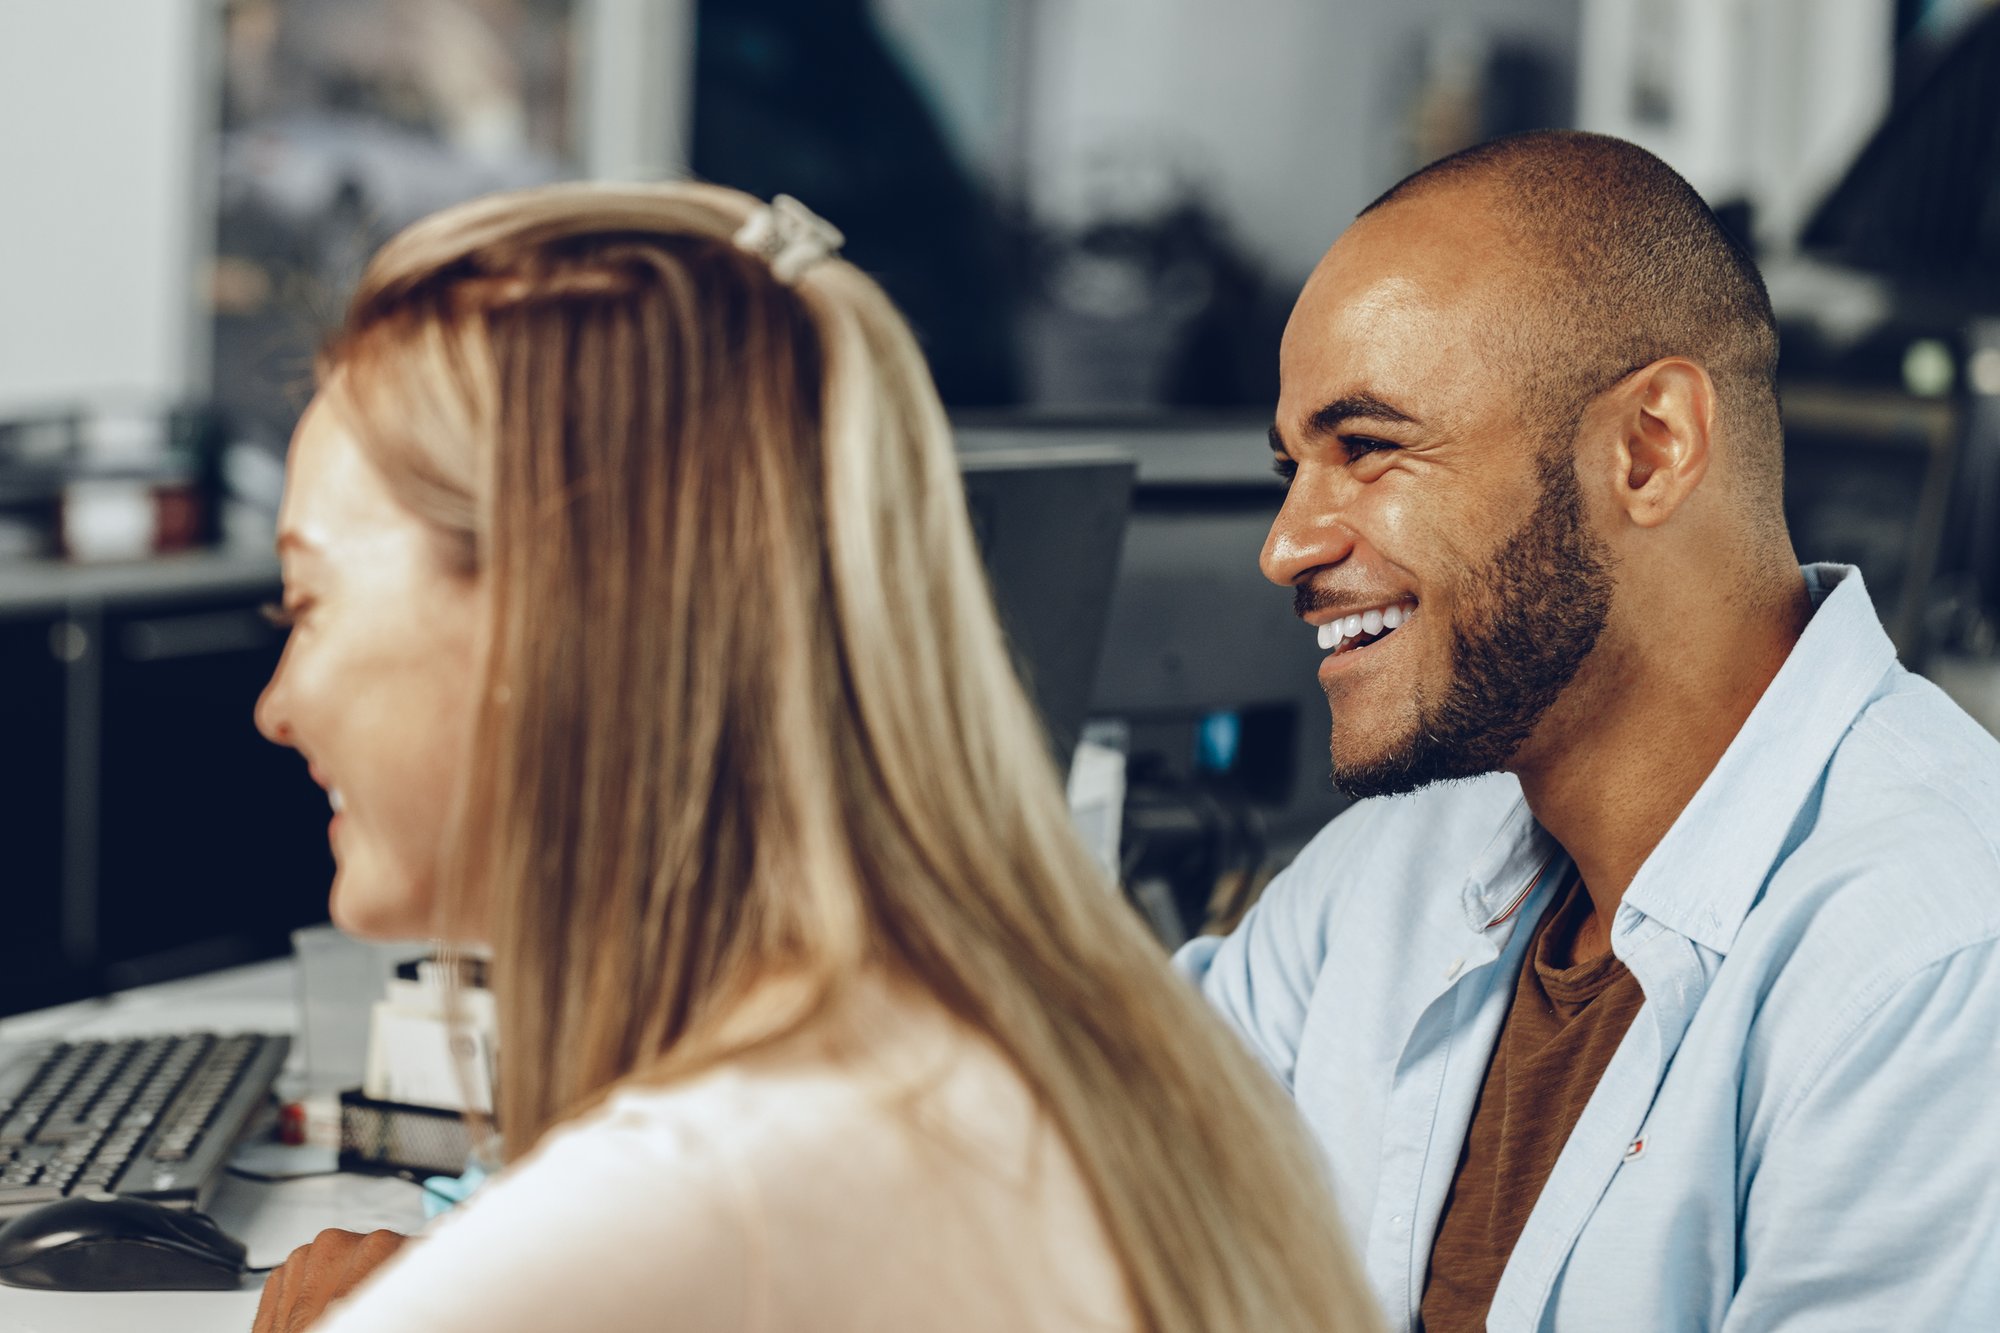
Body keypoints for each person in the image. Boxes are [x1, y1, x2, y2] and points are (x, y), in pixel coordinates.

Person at [245, 181, 1378, 1333]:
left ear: (545, 617)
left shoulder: (683, 1206)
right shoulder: (1027, 1046)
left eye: (307, 603)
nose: (276, 706)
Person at [1182, 130, 2000, 1331]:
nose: (1286, 545)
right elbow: (1090, 1169)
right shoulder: (1389, 870)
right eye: (1289, 467)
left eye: (1366, 448)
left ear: (1648, 448)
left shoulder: (1932, 960)